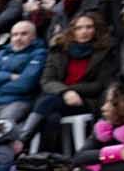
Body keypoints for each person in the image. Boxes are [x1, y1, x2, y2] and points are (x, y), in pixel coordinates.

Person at [18, 11, 116, 150]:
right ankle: (46, 158)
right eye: (79, 28)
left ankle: (23, 140)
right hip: (58, 98)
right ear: (72, 30)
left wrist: (71, 91)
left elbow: (100, 84)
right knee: (52, 117)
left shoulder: (105, 52)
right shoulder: (59, 50)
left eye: (89, 27)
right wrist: (65, 92)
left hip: (86, 101)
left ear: (96, 29)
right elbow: (46, 80)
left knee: (47, 102)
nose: (84, 31)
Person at [0, 20, 47, 132]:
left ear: (33, 36)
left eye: (24, 34)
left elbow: (25, 84)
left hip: (19, 102)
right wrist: (8, 76)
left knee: (2, 127)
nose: (18, 38)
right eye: (15, 35)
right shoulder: (2, 53)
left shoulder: (39, 53)